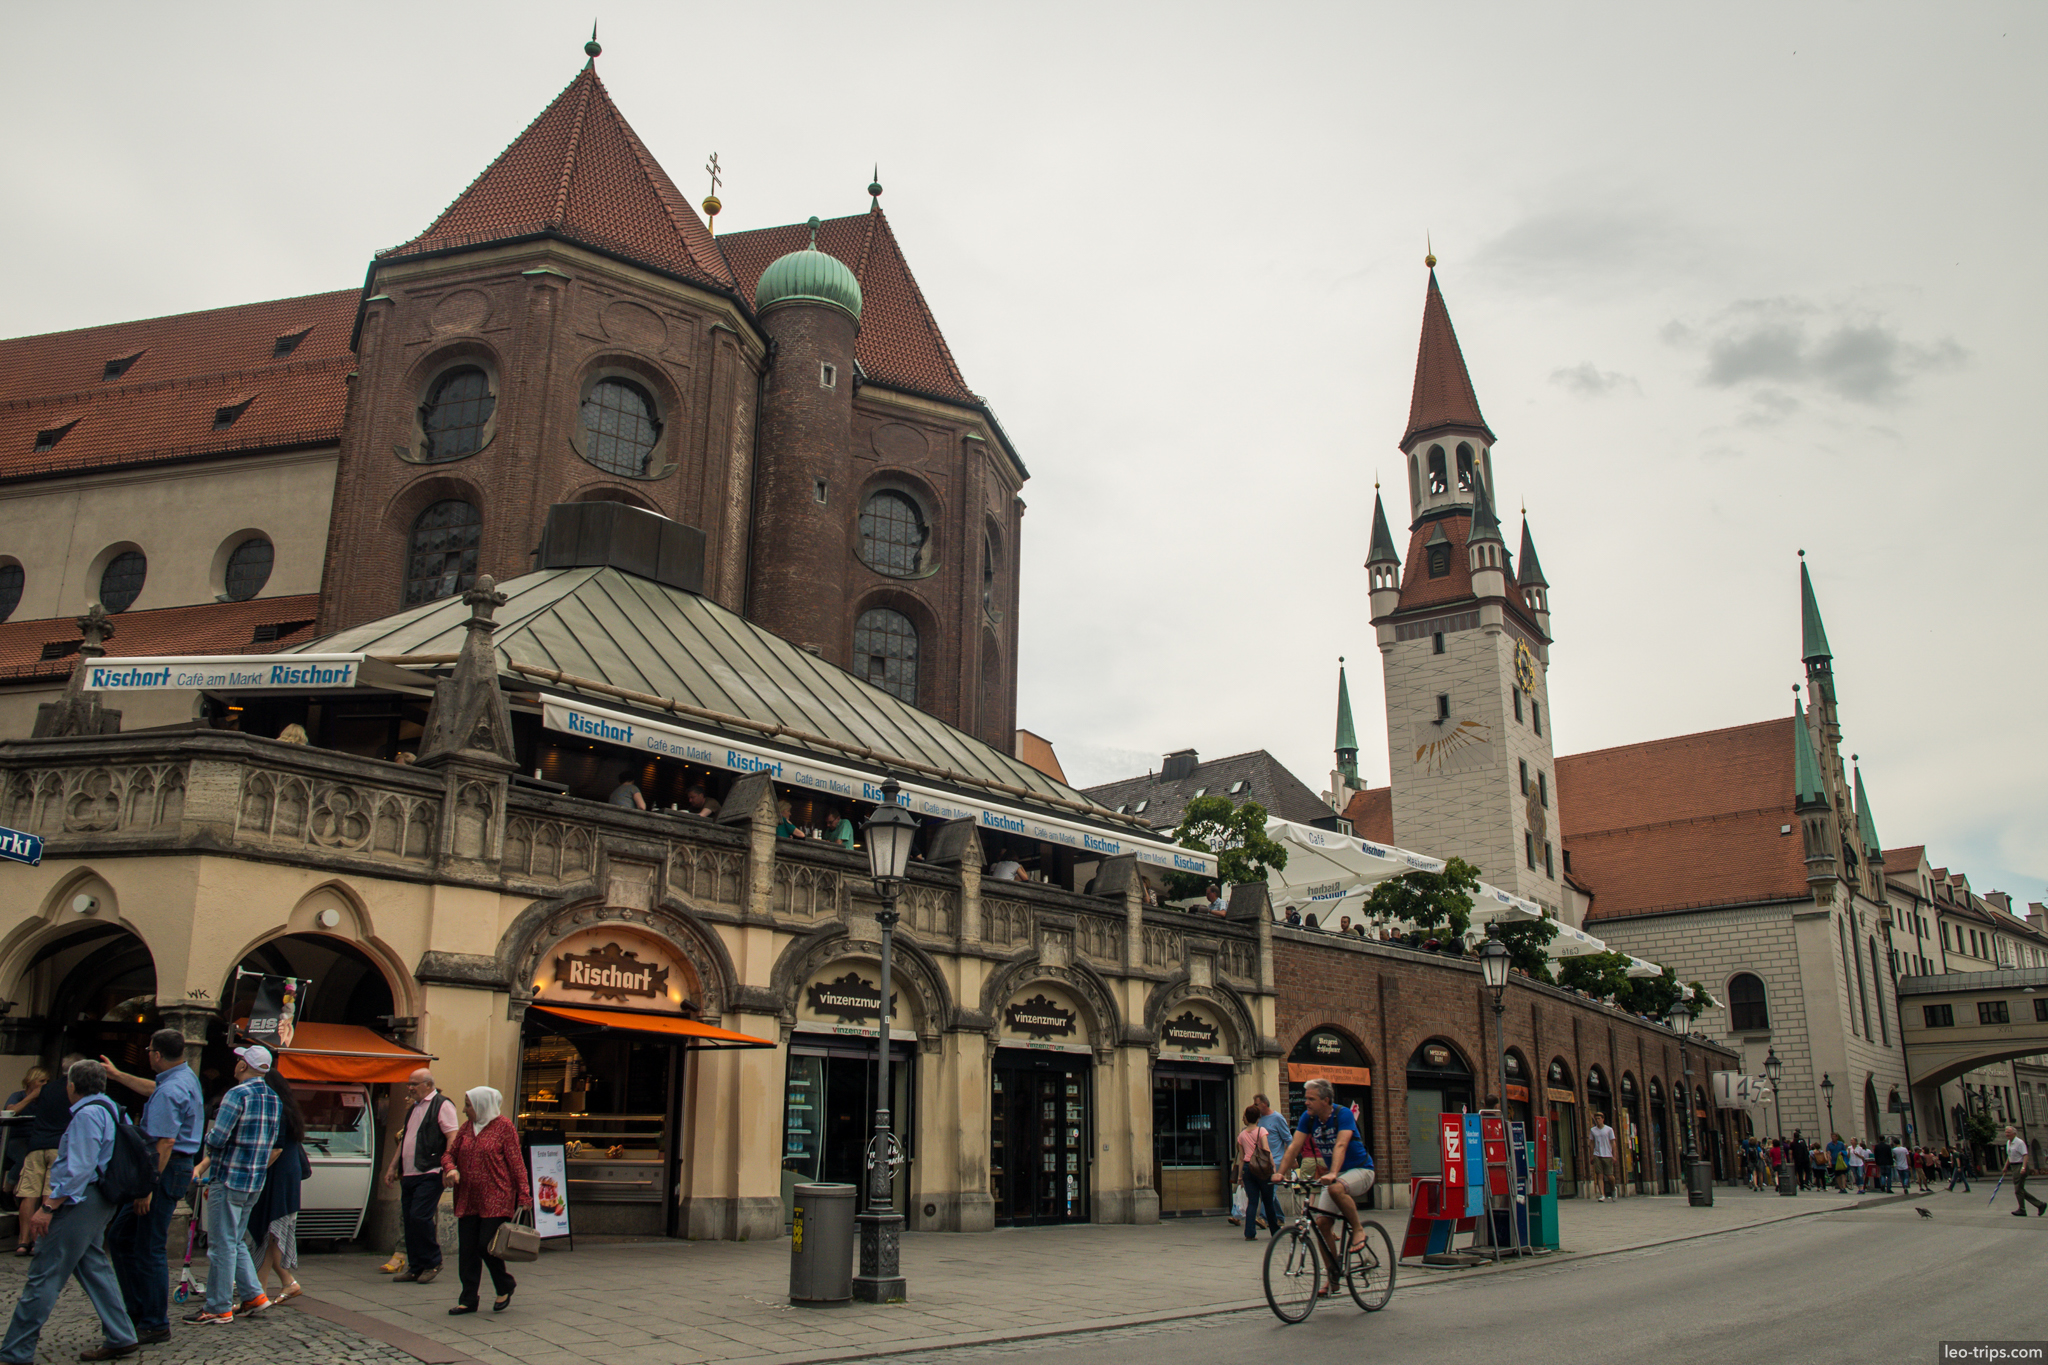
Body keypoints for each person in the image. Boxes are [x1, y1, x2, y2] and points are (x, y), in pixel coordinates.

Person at [0, 1059, 137, 1364]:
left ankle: (16, 1351)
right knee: (93, 1265)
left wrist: (48, 1206)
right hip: (102, 1197)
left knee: (45, 1273)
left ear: (71, 1086)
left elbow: (78, 1169)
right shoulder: (113, 1108)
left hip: (81, 1200)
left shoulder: (87, 1115)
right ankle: (121, 1334)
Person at [102, 1030, 204, 1346]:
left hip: (165, 1167)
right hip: (171, 1166)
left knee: (149, 1247)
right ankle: (138, 1311)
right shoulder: (182, 1077)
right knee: (122, 1237)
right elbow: (155, 1090)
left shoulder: (172, 1088)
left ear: (156, 1054)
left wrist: (147, 1186)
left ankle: (154, 1321)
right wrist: (118, 1076)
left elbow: (166, 1142)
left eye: (148, 1050)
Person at [186, 1045, 280, 1325]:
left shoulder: (237, 1094)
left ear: (243, 1066)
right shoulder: (273, 1098)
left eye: (240, 1059)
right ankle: (253, 1295)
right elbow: (272, 1139)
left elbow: (218, 1138)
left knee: (221, 1245)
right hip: (254, 1180)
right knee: (235, 1240)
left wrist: (208, 1139)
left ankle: (218, 1306)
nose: (236, 1062)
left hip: (229, 1177)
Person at [442, 1087, 530, 1314]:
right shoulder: (466, 1128)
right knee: (468, 1250)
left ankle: (504, 1284)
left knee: (486, 1245)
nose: (464, 1110)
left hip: (496, 1197)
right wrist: (450, 1168)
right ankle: (468, 1298)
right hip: (468, 1197)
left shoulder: (504, 1127)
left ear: (482, 1105)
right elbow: (449, 1154)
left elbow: (517, 1164)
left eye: (468, 1105)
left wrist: (524, 1195)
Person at [1275, 1078, 1373, 1283]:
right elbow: (1294, 1147)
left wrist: (1333, 1172)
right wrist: (1280, 1173)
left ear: (1326, 1100)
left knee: (1336, 1189)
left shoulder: (1342, 1114)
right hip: (1334, 1177)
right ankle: (1333, 1278)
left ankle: (1358, 1229)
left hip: (1361, 1170)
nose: (1306, 1102)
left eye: (1311, 1099)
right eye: (1306, 1098)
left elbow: (1341, 1144)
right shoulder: (1308, 1118)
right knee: (1322, 1224)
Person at [386, 1069, 459, 1285]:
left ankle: (432, 1262)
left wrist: (448, 1166)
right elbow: (405, 1140)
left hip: (430, 1170)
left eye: (414, 1084)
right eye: (409, 1084)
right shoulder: (414, 1108)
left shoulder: (442, 1104)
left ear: (428, 1084)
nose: (410, 1088)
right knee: (409, 1220)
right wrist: (392, 1167)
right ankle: (416, 1266)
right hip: (410, 1172)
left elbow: (452, 1136)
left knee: (420, 1217)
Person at [14, 1052, 84, 1256]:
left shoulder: (46, 1089)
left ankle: (23, 1241)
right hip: (58, 1146)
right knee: (49, 1193)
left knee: (29, 1194)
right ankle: (39, 1242)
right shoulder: (77, 1090)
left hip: (36, 1145)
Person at [250, 1068, 309, 1303]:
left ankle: (260, 1291)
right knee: (271, 1233)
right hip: (286, 1175)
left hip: (277, 1176)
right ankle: (285, 1283)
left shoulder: (277, 1110)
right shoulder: (289, 1110)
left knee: (268, 1232)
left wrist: (254, 1171)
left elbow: (275, 1149)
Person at [1235, 1105, 1282, 1242]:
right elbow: (1266, 1149)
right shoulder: (1262, 1131)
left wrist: (1240, 1176)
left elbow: (1241, 1157)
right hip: (1262, 1168)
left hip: (1248, 1168)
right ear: (1258, 1118)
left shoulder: (1241, 1135)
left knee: (1252, 1202)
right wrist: (1273, 1166)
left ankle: (1249, 1232)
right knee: (1268, 1201)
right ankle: (1275, 1231)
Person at [1, 1067, 47, 1202]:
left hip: (35, 1138)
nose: (45, 1084)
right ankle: (6, 1190)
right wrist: (31, 1097)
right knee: (24, 1157)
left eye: (47, 1081)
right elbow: (11, 1111)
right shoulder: (18, 1096)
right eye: (41, 1081)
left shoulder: (45, 1100)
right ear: (30, 1082)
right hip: (14, 1138)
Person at [2003, 1126, 2044, 1217]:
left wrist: (2023, 1167)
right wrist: (2005, 1167)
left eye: (2009, 1132)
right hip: (2014, 1166)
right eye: (2006, 1132)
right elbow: (2010, 1156)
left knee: (2018, 1190)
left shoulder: (2019, 1142)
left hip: (2020, 1165)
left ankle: (2022, 1209)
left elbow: (2025, 1155)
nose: (2007, 1134)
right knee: (2020, 1190)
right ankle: (2040, 1204)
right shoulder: (2008, 1143)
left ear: (2014, 1133)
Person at [1588, 1113, 1618, 1201]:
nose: (1597, 1120)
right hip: (1597, 1154)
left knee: (1609, 1176)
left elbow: (1613, 1143)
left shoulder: (1609, 1130)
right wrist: (1591, 1155)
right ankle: (1602, 1195)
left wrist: (1614, 1155)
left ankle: (1613, 1189)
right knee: (1599, 1175)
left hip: (1607, 1154)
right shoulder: (1593, 1130)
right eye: (1596, 1119)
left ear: (1603, 1119)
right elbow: (1591, 1143)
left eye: (1599, 1118)